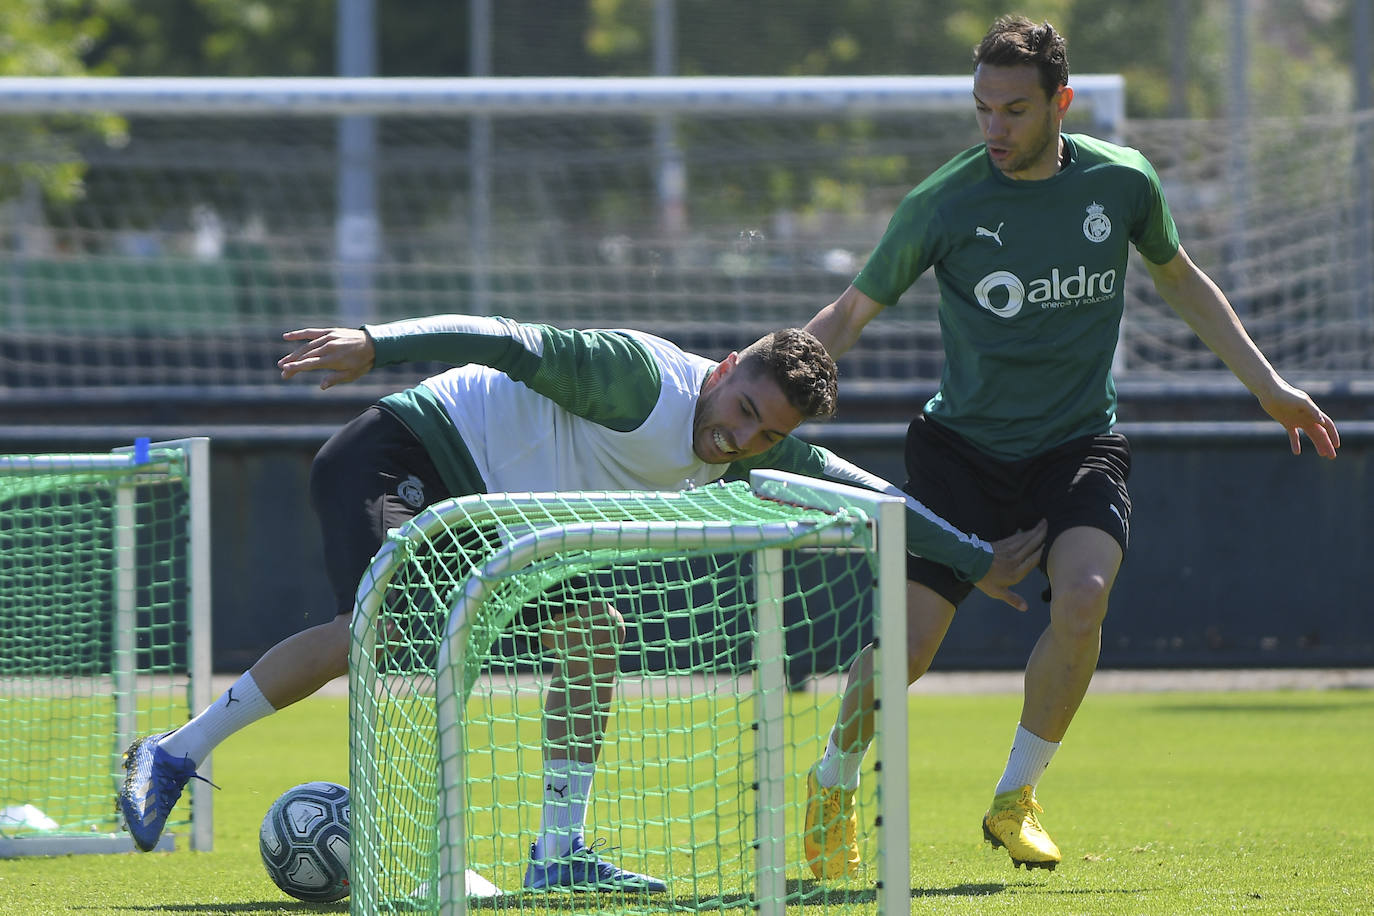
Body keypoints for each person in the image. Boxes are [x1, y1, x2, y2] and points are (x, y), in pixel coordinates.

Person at [116, 314, 1046, 891]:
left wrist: (974, 559)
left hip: (506, 518)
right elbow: (499, 341)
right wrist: (377, 345)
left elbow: (870, 498)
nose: (741, 437)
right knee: (387, 628)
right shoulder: (636, 378)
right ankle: (172, 752)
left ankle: (558, 849)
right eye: (744, 407)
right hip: (412, 453)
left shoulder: (765, 445)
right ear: (725, 368)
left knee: (596, 633)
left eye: (767, 433)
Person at [800, 14, 1342, 878]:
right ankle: (832, 784)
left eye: (1014, 110)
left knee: (1083, 597)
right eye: (981, 109)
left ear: (1063, 102)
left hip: (1077, 442)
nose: (994, 129)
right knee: (905, 646)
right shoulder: (944, 202)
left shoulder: (1121, 182)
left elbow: (1181, 279)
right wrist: (770, 386)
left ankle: (1015, 800)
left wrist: (1269, 388)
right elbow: (850, 314)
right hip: (960, 452)